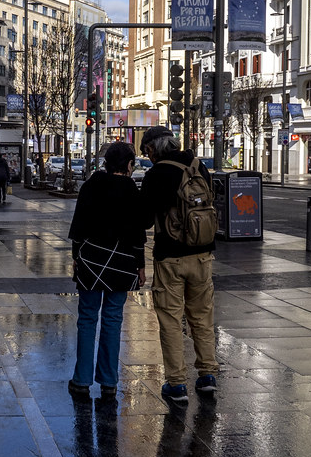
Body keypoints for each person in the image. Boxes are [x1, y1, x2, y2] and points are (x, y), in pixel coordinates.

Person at [138, 126, 218, 403]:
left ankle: (177, 383)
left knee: (171, 320)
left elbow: (144, 219)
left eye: (146, 151)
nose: (146, 156)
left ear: (152, 149)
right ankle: (207, 375)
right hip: (203, 255)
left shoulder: (157, 174)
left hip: (170, 257)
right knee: (201, 317)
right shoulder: (199, 167)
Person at [67, 141, 146, 399]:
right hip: (122, 264)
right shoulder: (131, 191)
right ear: (128, 165)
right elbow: (138, 234)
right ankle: (109, 381)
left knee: (87, 318)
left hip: (91, 261)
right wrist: (140, 265)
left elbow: (78, 225)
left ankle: (81, 379)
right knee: (113, 320)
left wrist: (76, 256)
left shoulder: (91, 185)